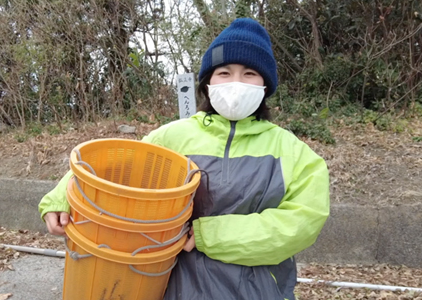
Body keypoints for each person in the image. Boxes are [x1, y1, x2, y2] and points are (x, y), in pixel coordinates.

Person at [39, 18, 330, 300]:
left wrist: (210, 235)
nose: (236, 83)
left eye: (249, 74)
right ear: (208, 83)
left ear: (265, 85)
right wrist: (61, 198)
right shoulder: (174, 137)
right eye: (224, 73)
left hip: (259, 290)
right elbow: (114, 167)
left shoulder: (295, 153)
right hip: (176, 285)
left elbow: (301, 223)